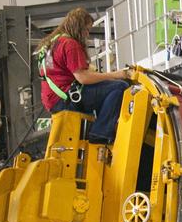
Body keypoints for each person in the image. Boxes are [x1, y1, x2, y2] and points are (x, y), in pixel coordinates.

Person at [39, 8, 133, 150]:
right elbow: (83, 78)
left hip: (53, 100)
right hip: (66, 99)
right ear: (79, 27)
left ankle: (99, 127)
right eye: (87, 30)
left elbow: (60, 71)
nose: (87, 34)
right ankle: (100, 133)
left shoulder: (51, 44)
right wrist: (115, 75)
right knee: (119, 86)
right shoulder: (70, 44)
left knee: (106, 87)